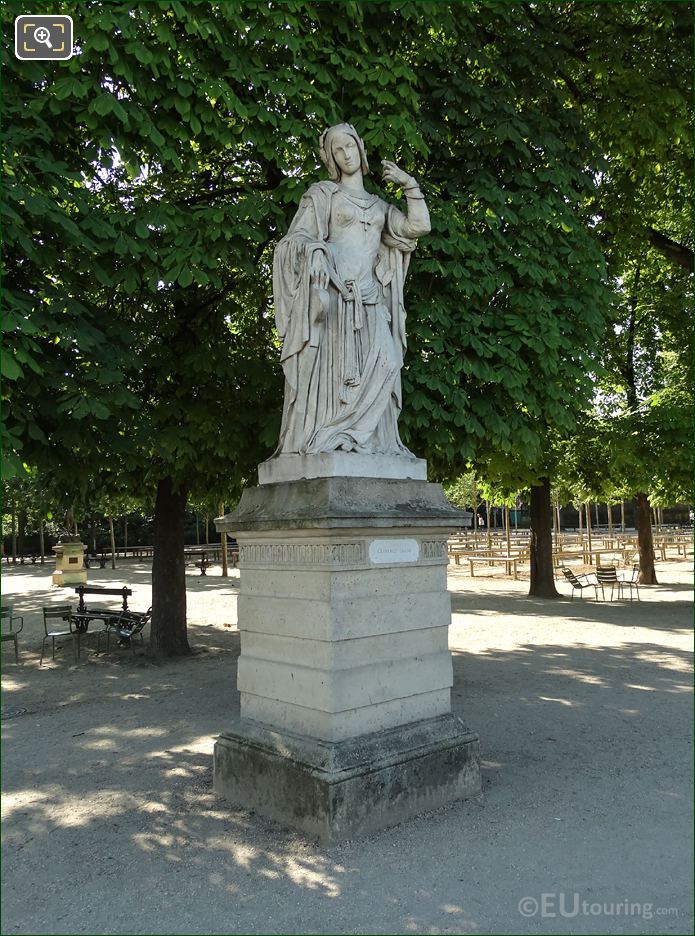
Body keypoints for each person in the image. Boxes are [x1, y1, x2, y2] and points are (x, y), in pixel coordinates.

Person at [272, 123, 431, 456]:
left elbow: (418, 227)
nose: (346, 154)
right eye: (338, 150)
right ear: (331, 158)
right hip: (335, 302)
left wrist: (409, 184)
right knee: (338, 384)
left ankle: (362, 439)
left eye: (350, 146)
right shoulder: (322, 195)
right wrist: (314, 250)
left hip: (371, 302)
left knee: (388, 362)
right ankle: (334, 437)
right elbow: (293, 240)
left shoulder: (378, 207)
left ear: (360, 147)